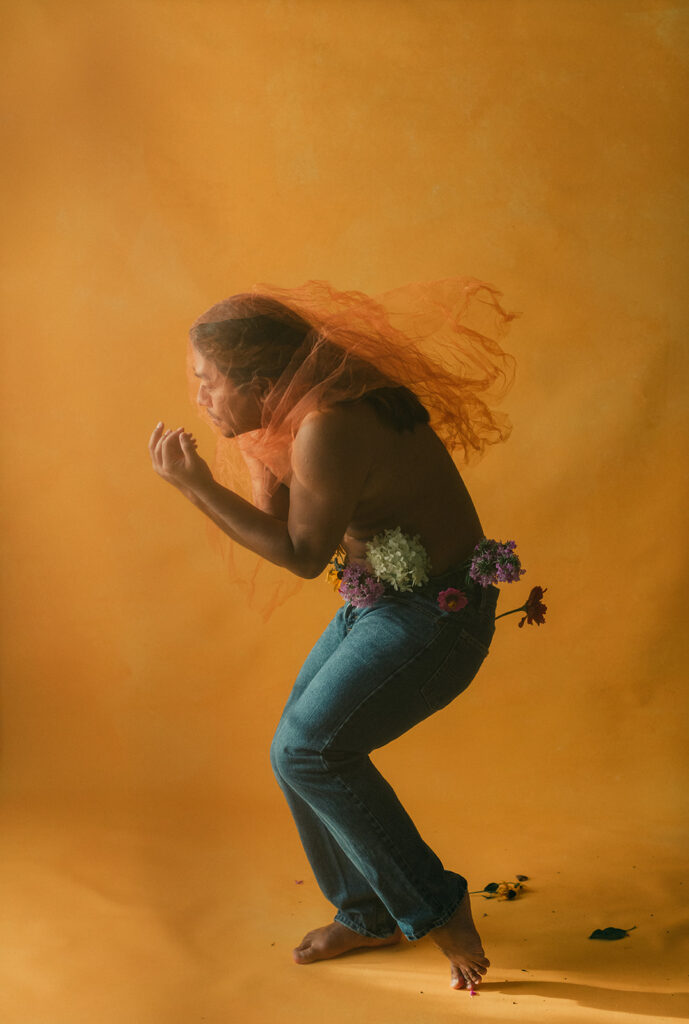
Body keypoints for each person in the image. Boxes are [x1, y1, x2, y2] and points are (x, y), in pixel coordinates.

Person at [149, 279, 520, 991]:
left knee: (310, 749)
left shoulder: (328, 423)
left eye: (208, 382)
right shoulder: (292, 418)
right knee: (297, 750)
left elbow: (298, 554)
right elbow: (284, 520)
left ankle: (437, 907)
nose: (199, 397)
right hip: (379, 602)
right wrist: (256, 444)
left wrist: (195, 484)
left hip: (434, 620)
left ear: (262, 382)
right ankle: (366, 912)